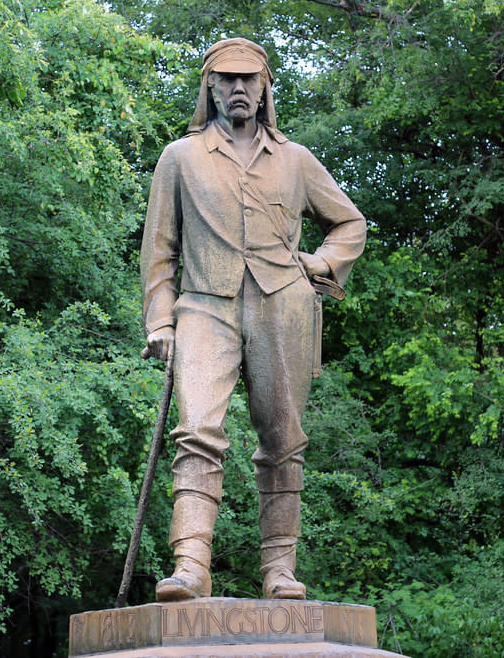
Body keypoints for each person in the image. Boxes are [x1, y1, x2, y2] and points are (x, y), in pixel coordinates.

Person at [140, 37, 366, 601]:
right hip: (203, 306)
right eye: (227, 79)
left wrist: (319, 264)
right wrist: (160, 321)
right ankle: (190, 565)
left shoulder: (295, 161)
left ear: (265, 87)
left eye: (249, 79)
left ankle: (280, 572)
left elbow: (350, 224)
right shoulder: (180, 157)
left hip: (282, 306)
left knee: (283, 440)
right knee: (195, 432)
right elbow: (158, 250)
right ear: (210, 87)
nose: (238, 88)